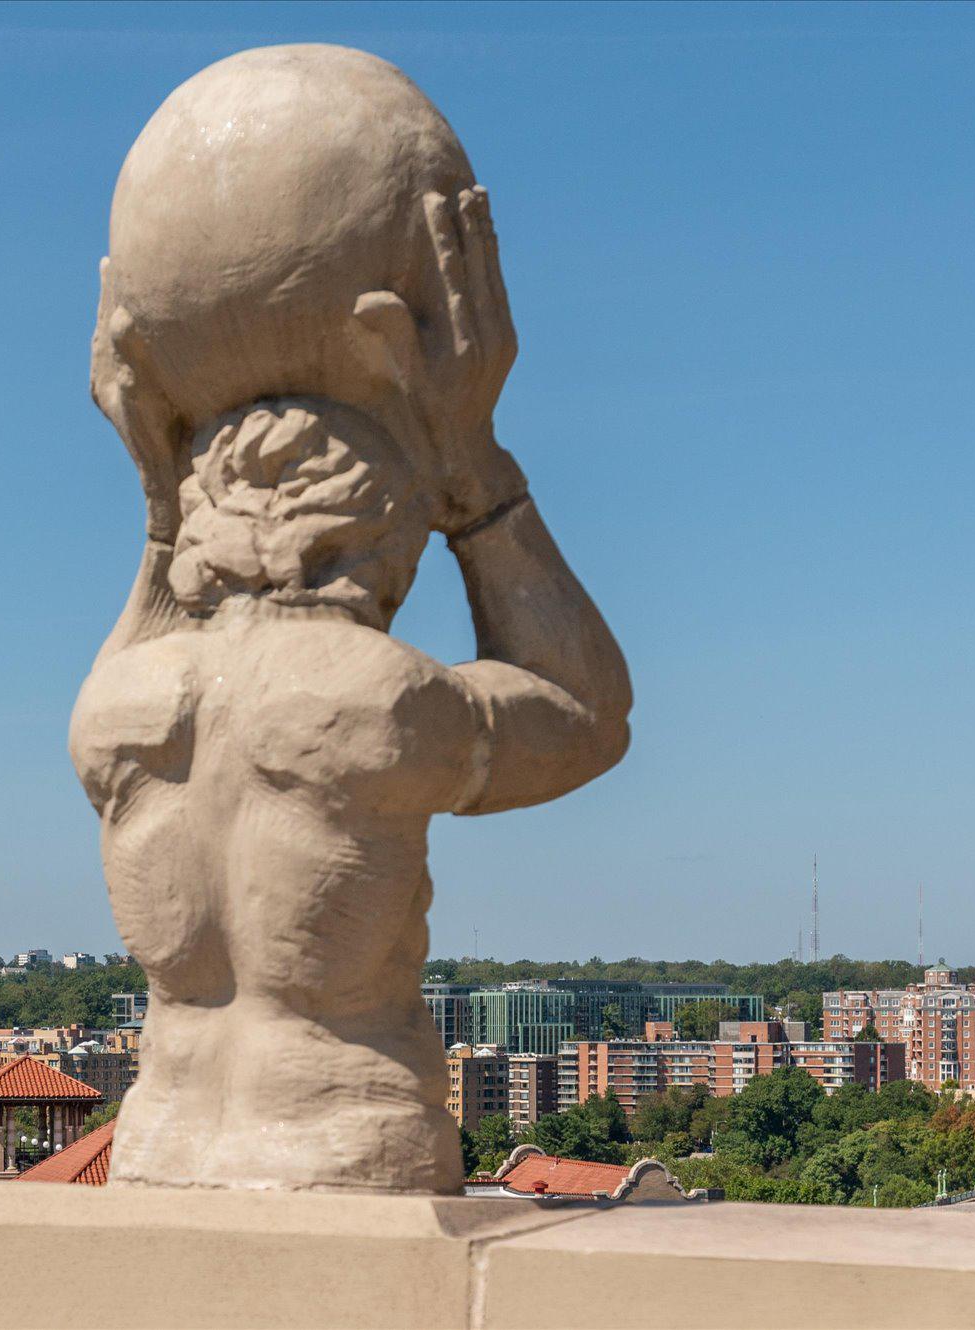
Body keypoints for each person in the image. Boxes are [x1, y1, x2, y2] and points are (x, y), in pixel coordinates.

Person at [69, 46, 631, 1193]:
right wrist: (469, 460)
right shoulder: (377, 702)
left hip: (155, 1150)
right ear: (383, 534)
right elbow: (584, 714)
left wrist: (150, 470)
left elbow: (161, 589)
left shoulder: (115, 710)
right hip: (339, 1156)